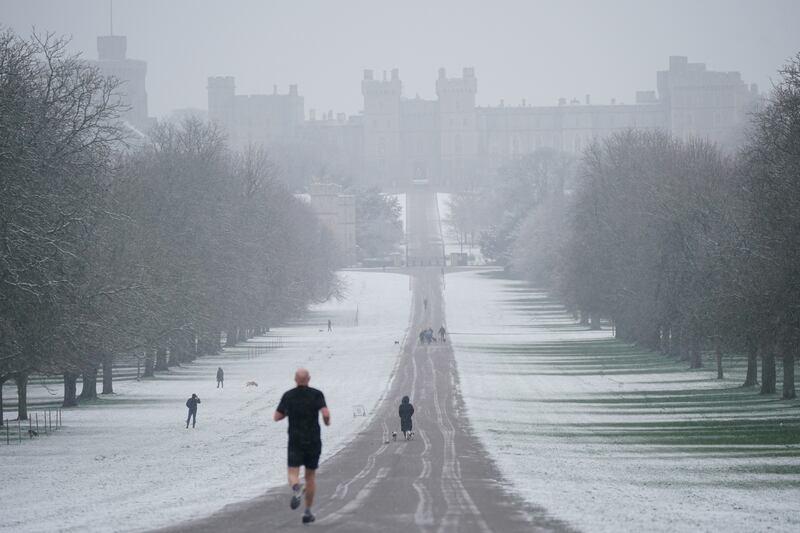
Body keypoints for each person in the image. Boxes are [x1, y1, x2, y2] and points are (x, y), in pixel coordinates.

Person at [274, 368, 331, 525]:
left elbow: (277, 416)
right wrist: (327, 421)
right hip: (313, 440)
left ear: (295, 379)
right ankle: (307, 512)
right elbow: (325, 413)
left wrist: (288, 412)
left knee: (293, 471)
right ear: (309, 379)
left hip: (295, 439)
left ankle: (295, 487)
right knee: (310, 476)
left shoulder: (288, 396)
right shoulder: (317, 394)